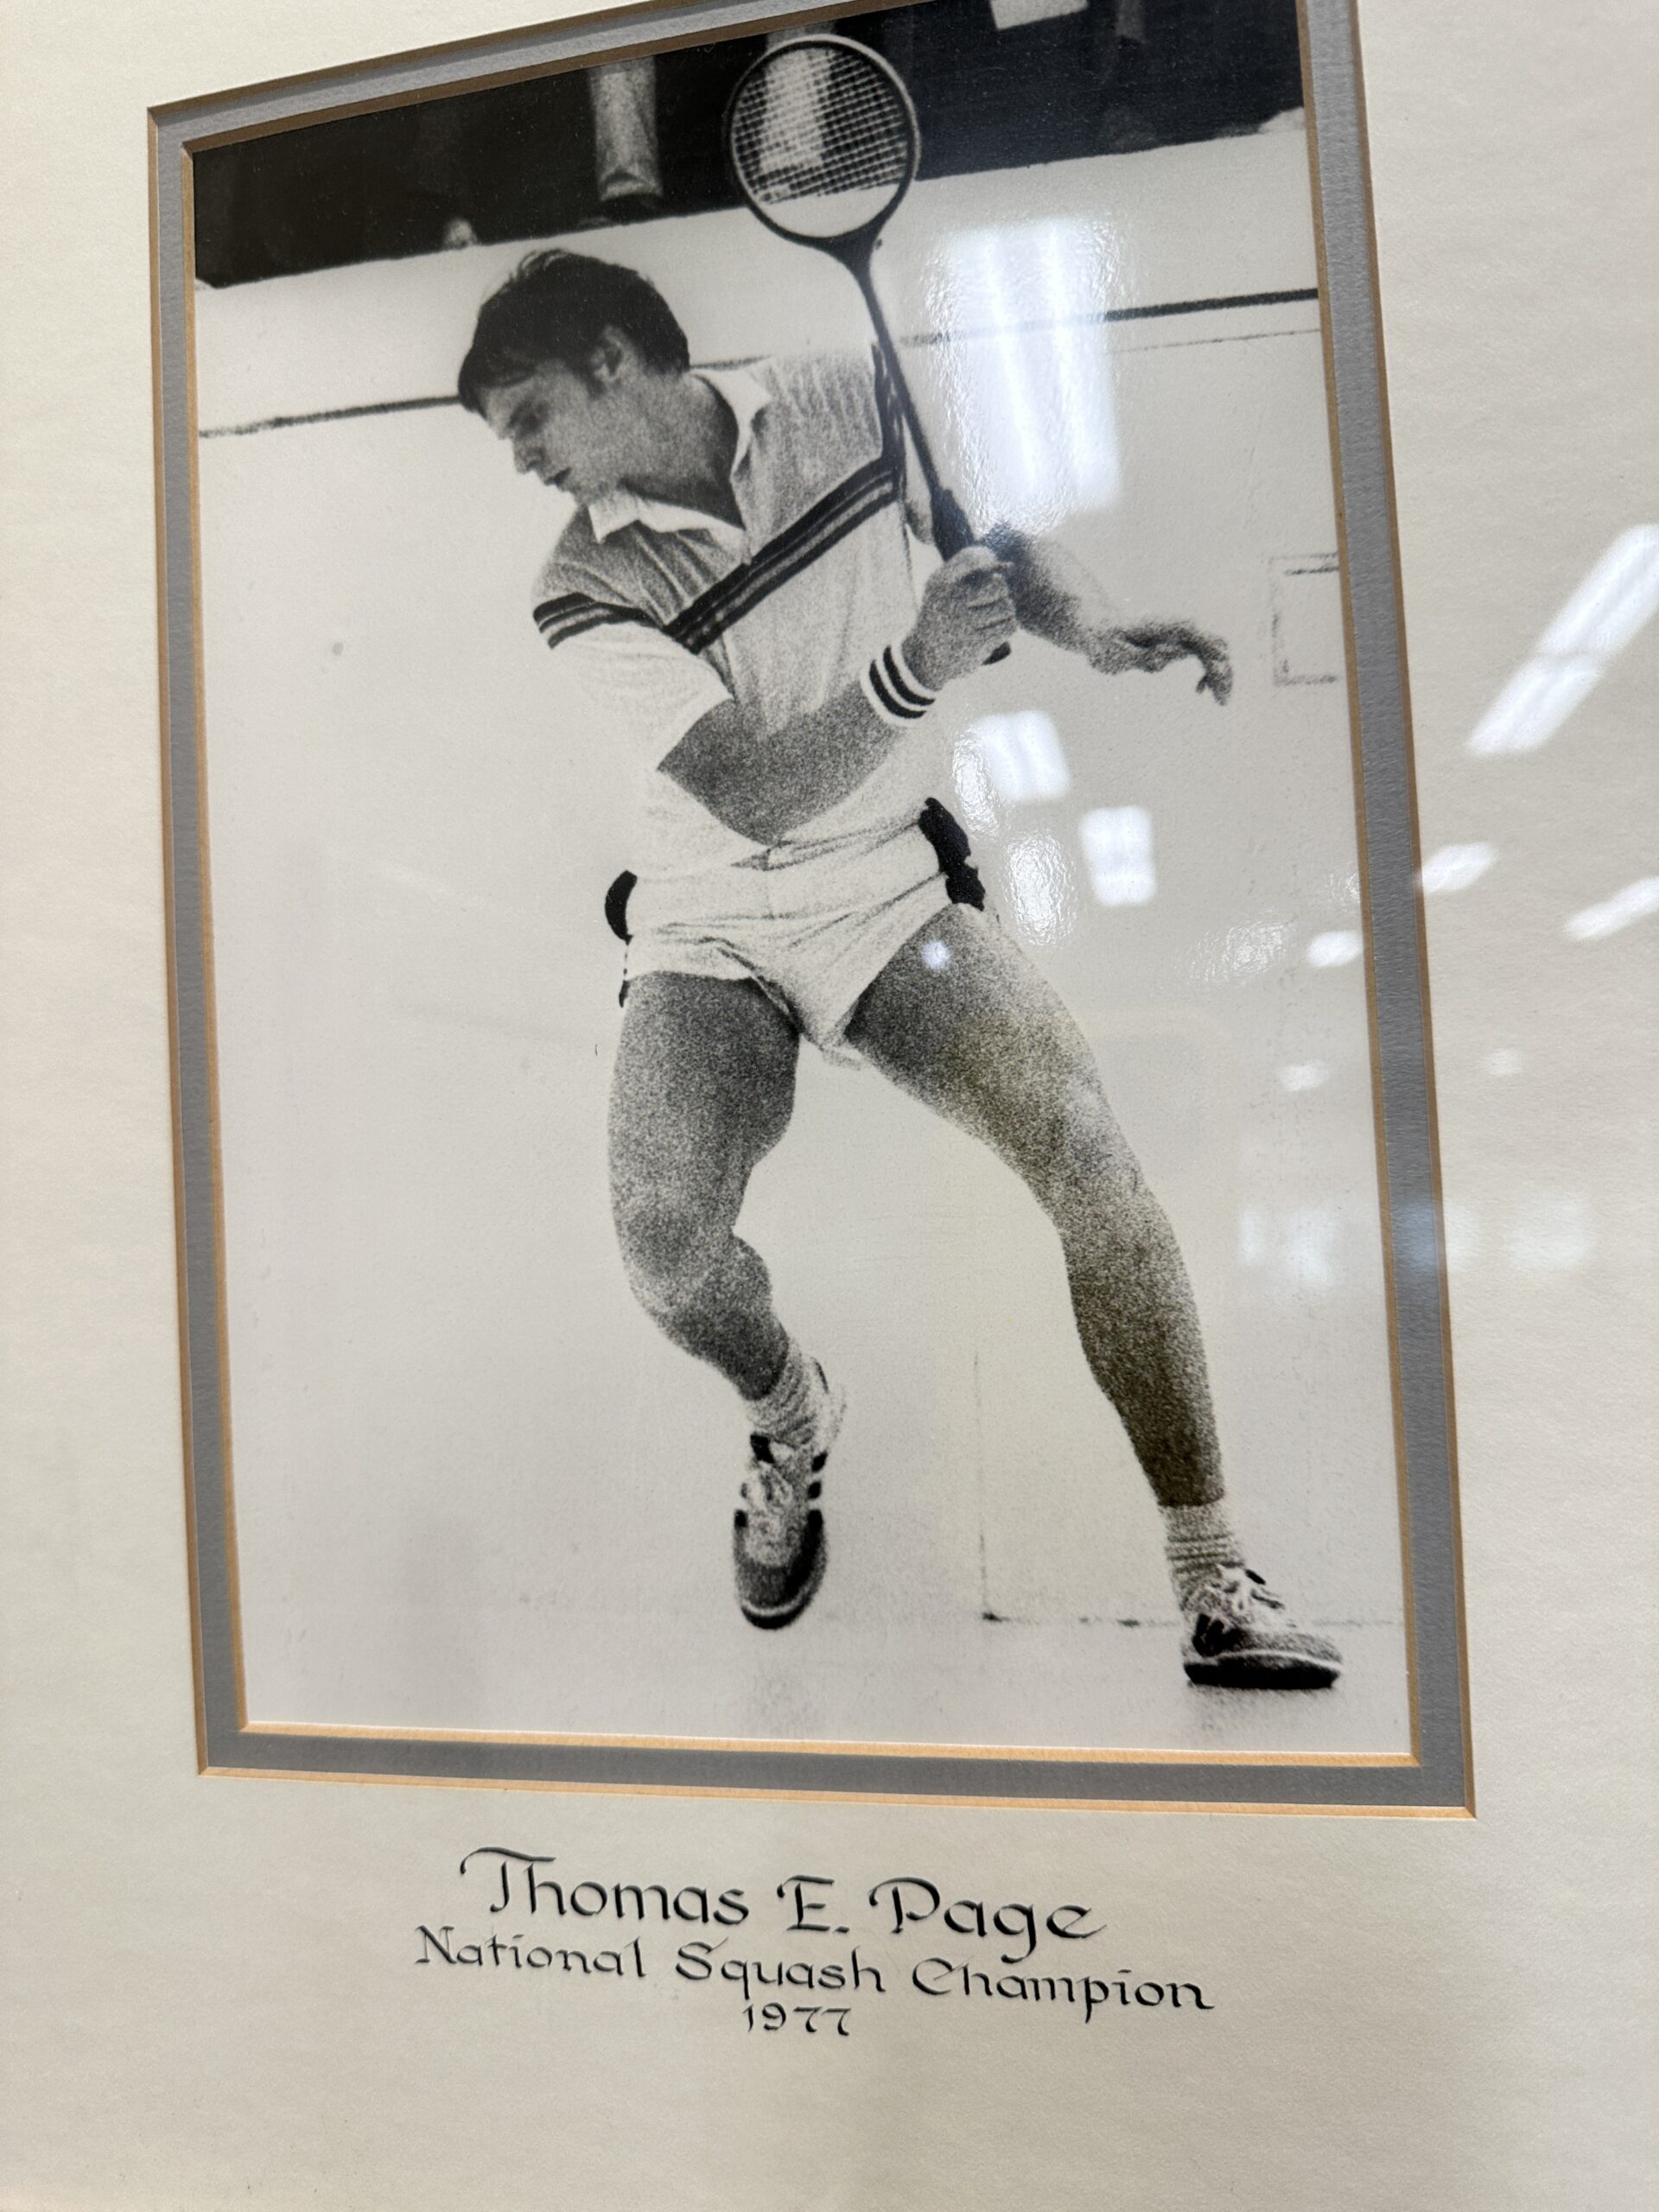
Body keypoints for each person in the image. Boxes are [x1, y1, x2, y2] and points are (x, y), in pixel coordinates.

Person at [458, 249, 1341, 1690]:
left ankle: (1214, 1579)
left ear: (612, 359)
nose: (523, 460)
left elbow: (996, 549)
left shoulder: (849, 398)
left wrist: (1090, 625)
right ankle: (789, 1414)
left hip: (885, 888)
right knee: (667, 1260)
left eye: (529, 418)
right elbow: (751, 791)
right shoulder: (579, 582)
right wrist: (918, 665)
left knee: (1089, 1154)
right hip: (709, 916)